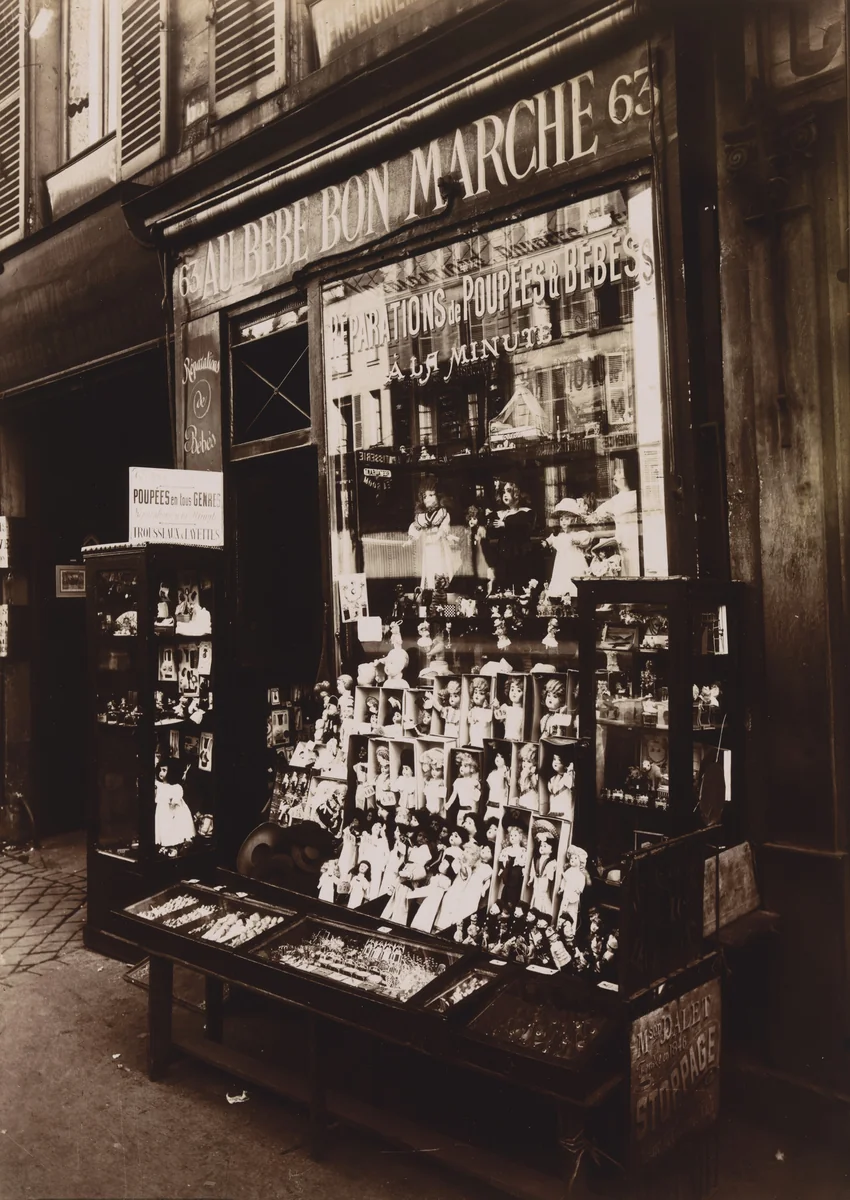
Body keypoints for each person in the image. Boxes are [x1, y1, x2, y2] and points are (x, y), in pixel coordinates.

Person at [482, 481, 539, 594]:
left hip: (519, 552)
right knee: (503, 583)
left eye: (508, 491)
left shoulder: (526, 512)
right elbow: (491, 532)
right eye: (503, 492)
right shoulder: (499, 514)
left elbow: (525, 528)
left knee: (519, 582)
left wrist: (506, 525)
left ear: (516, 494)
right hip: (503, 553)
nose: (505, 495)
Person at [407, 478, 459, 590]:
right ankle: (430, 593)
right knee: (429, 570)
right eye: (425, 497)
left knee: (441, 568)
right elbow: (416, 527)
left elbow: (445, 526)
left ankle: (442, 591)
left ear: (438, 496)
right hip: (428, 547)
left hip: (440, 545)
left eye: (431, 495)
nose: (428, 499)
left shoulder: (442, 513)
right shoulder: (421, 516)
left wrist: (441, 533)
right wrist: (411, 539)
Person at [545, 497, 591, 600]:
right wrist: (545, 543)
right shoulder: (559, 535)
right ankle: (564, 599)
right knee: (561, 578)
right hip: (561, 562)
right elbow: (550, 540)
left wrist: (576, 541)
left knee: (575, 579)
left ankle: (575, 598)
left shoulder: (576, 534)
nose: (563, 522)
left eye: (566, 519)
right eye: (561, 519)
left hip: (574, 559)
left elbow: (585, 538)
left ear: (574, 519)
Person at [154, 760, 196, 850]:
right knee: (164, 827)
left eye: (164, 770)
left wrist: (172, 801)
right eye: (160, 770)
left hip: (173, 811)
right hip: (163, 810)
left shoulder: (175, 787)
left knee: (175, 827)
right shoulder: (158, 785)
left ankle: (177, 843)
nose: (161, 773)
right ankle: (166, 844)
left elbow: (177, 798)